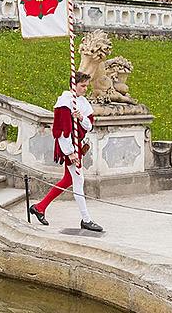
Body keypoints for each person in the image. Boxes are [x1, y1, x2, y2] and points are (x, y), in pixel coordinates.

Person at [29, 71, 103, 232]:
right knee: (78, 180)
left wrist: (81, 117)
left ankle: (40, 207)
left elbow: (89, 126)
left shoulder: (82, 102)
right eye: (82, 86)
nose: (85, 89)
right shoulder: (64, 102)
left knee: (68, 180)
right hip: (69, 146)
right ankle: (86, 219)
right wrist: (70, 152)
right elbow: (62, 131)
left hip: (77, 144)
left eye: (86, 86)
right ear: (73, 85)